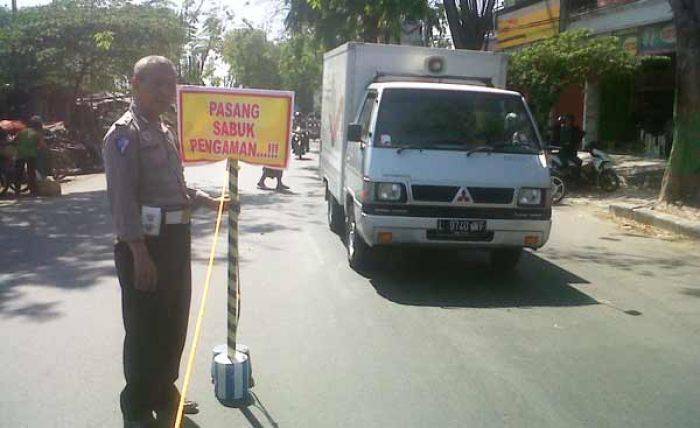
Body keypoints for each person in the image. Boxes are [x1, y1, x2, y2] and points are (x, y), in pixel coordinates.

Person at [103, 56, 226, 428]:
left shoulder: (164, 130)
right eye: (156, 83)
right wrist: (139, 253)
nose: (164, 91)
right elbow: (123, 199)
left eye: (169, 84)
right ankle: (137, 404)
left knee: (174, 321)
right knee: (143, 327)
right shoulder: (125, 134)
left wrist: (207, 199)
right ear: (135, 84)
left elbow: (174, 185)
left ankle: (165, 390)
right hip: (145, 245)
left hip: (174, 240)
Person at [14, 116, 45, 196]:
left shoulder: (22, 131)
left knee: (18, 173)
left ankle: (17, 191)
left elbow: (15, 140)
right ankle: (33, 191)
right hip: (31, 155)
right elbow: (41, 145)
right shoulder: (37, 134)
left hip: (20, 154)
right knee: (31, 173)